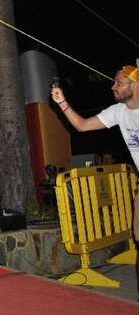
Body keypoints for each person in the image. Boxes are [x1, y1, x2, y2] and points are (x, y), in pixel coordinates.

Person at [50, 65, 139, 239]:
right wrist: (62, 103)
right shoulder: (118, 111)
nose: (113, 87)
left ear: (135, 85)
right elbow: (82, 125)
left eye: (119, 83)